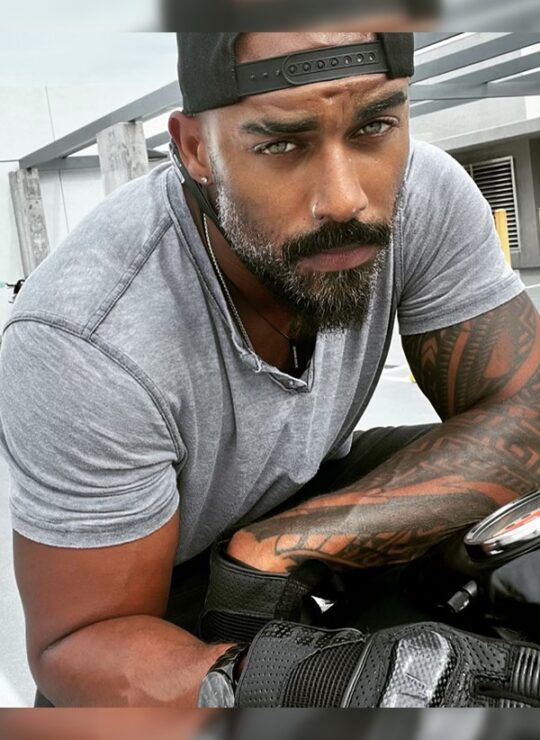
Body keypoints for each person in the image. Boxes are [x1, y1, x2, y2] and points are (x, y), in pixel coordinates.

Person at [0, 31, 538, 708]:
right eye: (282, 144)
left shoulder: (423, 194)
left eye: (374, 126)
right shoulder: (87, 337)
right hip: (156, 592)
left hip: (305, 494)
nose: (345, 199)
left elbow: (527, 411)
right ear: (195, 149)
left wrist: (281, 546)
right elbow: (75, 642)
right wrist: (304, 681)